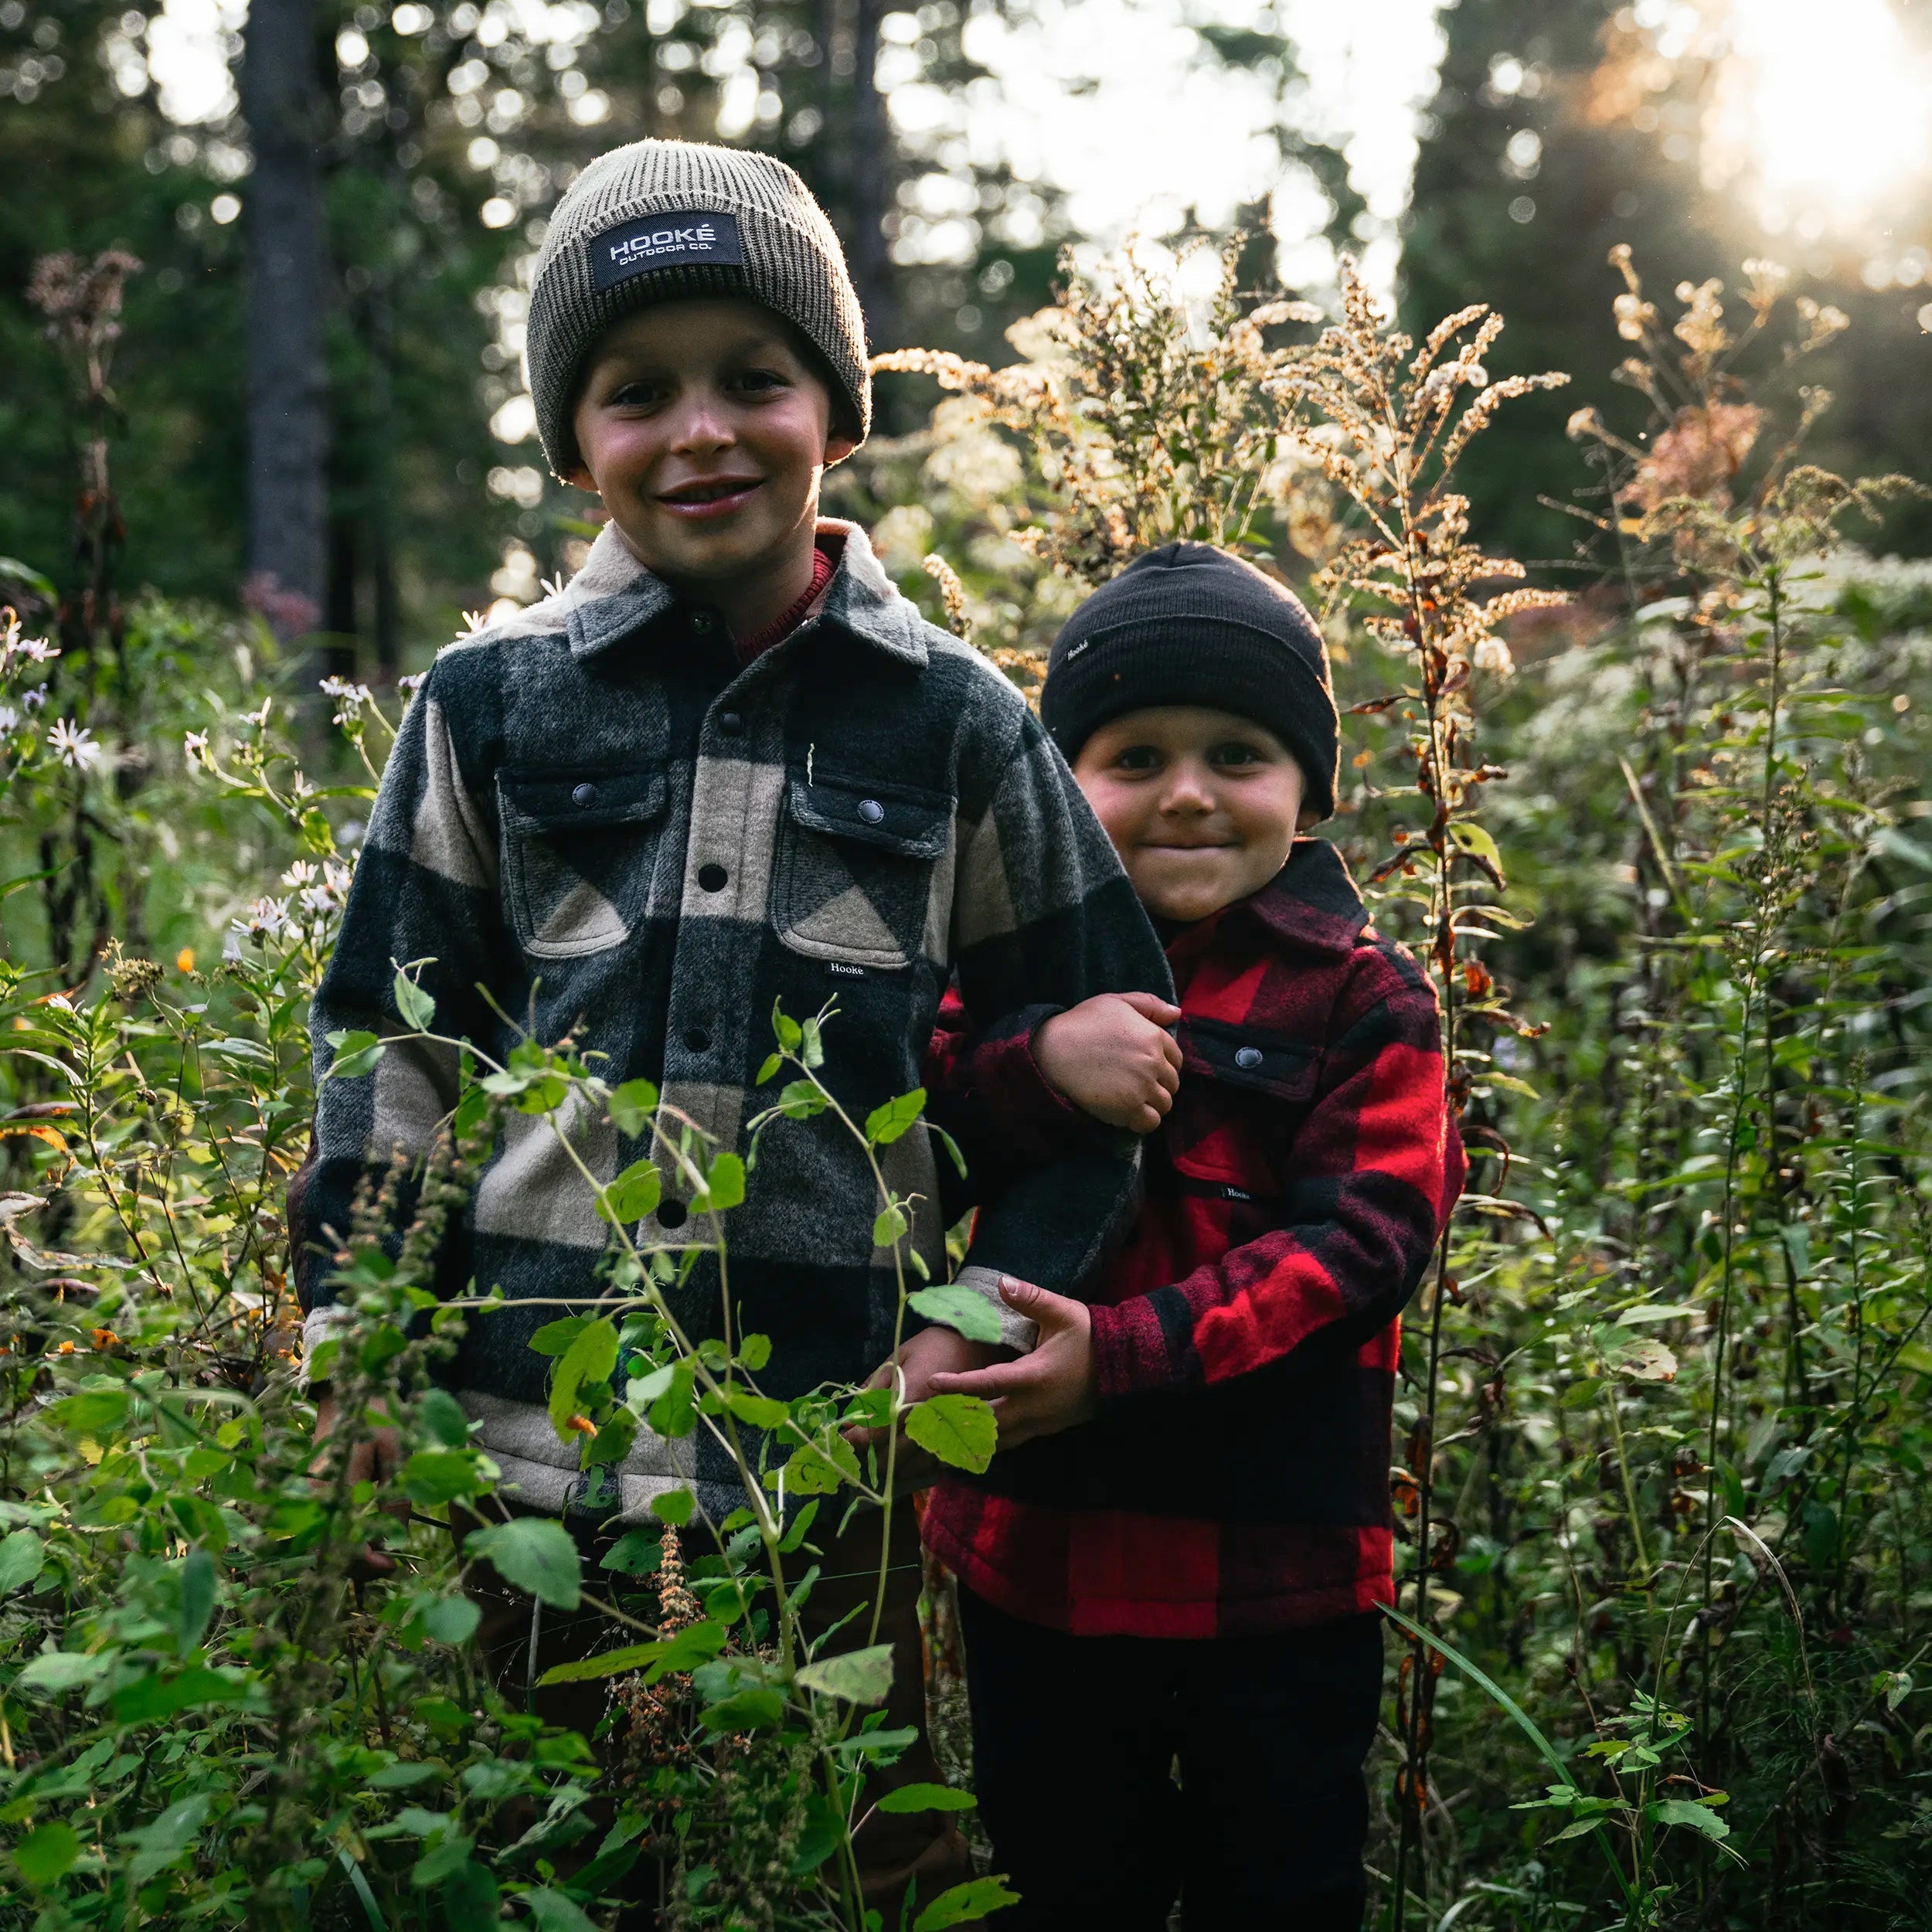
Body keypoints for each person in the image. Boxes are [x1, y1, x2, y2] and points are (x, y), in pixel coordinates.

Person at [291, 137, 1172, 1917]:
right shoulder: (488, 703)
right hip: (530, 1422)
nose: (700, 430)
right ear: (570, 442)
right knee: (555, 1832)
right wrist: (356, 1325)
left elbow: (1097, 1048)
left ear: (833, 412)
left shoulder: (954, 718)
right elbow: (394, 1042)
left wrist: (988, 1324)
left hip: (840, 1422)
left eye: (752, 378)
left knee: (875, 1833)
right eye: (636, 393)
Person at [920, 543, 1466, 1930]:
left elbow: (1365, 1240)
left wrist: (1122, 1356)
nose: (1186, 794)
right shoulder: (1009, 972)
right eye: (1133, 755)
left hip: (1274, 1587)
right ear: (1063, 788)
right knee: (1061, 1885)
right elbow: (903, 1121)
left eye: (1239, 753)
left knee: (1277, 1893)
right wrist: (1041, 1057)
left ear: (1308, 792)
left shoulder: (1362, 1000)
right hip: (1035, 1562)